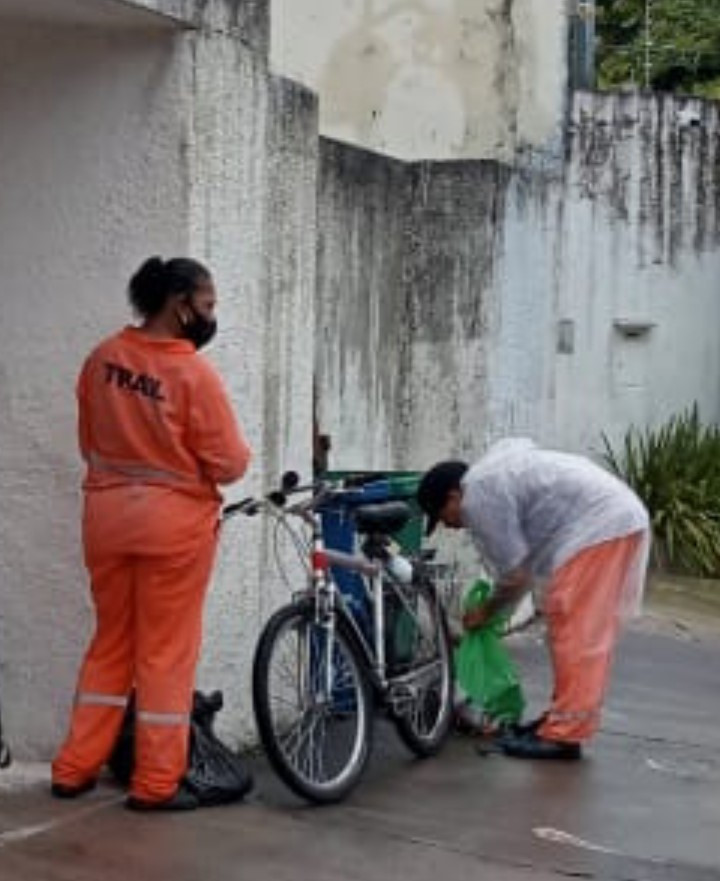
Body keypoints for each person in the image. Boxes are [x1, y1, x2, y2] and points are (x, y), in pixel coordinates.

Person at [51, 257, 252, 810]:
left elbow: (89, 442)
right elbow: (229, 463)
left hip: (107, 520)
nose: (211, 317)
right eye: (207, 306)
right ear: (179, 304)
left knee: (110, 643)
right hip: (174, 528)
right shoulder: (192, 374)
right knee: (165, 653)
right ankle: (156, 783)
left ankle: (74, 768)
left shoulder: (101, 359)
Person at [417, 439, 649, 760]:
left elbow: (516, 577)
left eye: (442, 514)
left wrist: (485, 612)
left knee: (576, 632)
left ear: (455, 496)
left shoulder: (479, 496)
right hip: (605, 519)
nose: (447, 525)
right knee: (567, 628)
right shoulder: (490, 479)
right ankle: (560, 720)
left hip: (600, 525)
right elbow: (520, 569)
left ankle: (564, 735)